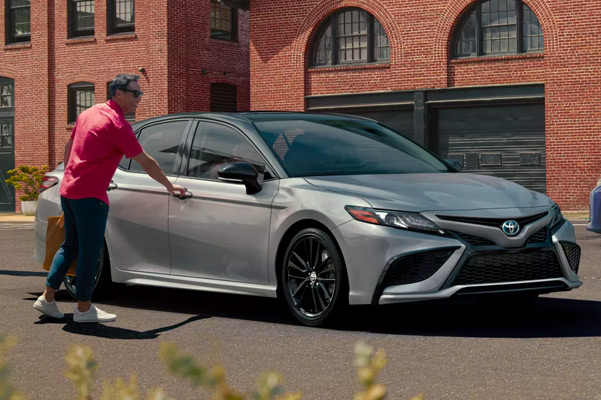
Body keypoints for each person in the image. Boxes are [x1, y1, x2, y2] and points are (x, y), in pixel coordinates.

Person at [33, 74, 185, 323]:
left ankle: (47, 298)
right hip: (90, 196)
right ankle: (83, 309)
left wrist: (68, 173)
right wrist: (170, 187)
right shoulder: (118, 125)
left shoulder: (90, 112)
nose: (139, 99)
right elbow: (147, 162)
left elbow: (69, 146)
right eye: (135, 93)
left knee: (71, 245)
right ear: (118, 93)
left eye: (140, 94)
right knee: (90, 252)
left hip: (69, 191)